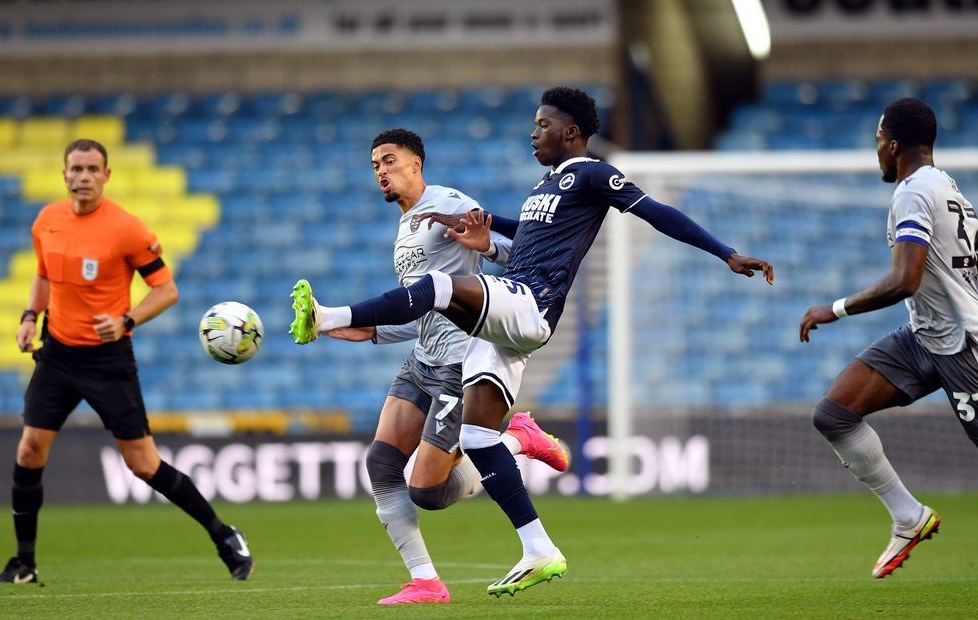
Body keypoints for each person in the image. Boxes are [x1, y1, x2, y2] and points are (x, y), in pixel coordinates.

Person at [290, 87, 774, 597]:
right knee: (473, 443)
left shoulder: (591, 172)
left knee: (434, 288)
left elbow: (655, 211)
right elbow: (530, 234)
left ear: (571, 132)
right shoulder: (547, 185)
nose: (532, 132)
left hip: (530, 301)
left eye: (542, 124)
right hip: (504, 316)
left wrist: (726, 253)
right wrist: (485, 232)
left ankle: (325, 315)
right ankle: (537, 538)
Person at [0, 139, 253, 584]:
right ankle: (24, 564)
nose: (84, 176)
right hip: (56, 354)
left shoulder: (127, 229)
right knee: (30, 450)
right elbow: (43, 275)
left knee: (143, 464)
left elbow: (167, 291)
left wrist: (127, 319)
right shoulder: (47, 221)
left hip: (108, 360)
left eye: (93, 169)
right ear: (65, 173)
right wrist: (30, 317)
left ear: (107, 175)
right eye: (76, 168)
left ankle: (224, 535)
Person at [322, 128, 570, 605]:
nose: (381, 171)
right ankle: (426, 582)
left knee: (428, 493)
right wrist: (372, 331)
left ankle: (519, 439)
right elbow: (423, 307)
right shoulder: (406, 223)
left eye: (389, 161)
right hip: (422, 360)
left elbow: (529, 255)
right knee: (381, 462)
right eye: (375, 165)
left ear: (416, 163)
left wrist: (488, 247)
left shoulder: (449, 203)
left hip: (461, 366)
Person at [801, 97, 977, 579]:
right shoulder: (946, 187)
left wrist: (834, 309)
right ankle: (908, 516)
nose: (877, 148)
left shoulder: (914, 192)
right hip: (925, 335)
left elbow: (905, 281)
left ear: (894, 145)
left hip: (965, 345)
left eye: (879, 139)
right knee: (834, 413)